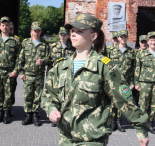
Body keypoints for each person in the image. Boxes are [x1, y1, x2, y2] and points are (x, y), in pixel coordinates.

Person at [41, 13, 149, 146]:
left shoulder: (105, 67)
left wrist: (141, 129)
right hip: (66, 138)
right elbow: (49, 95)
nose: (73, 34)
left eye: (79, 31)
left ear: (93, 36)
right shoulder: (61, 66)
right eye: (72, 31)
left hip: (93, 139)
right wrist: (52, 109)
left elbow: (125, 100)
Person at [0, 16, 20, 124]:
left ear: (10, 26)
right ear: (0, 27)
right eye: (3, 25)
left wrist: (16, 70)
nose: (5, 27)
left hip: (9, 71)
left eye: (7, 25)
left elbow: (19, 57)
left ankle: (6, 113)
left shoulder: (15, 40)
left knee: (8, 93)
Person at [17, 22, 50, 126]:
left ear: (41, 31)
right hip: (28, 74)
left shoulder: (45, 44)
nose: (37, 33)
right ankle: (28, 115)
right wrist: (21, 72)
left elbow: (50, 58)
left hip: (39, 75)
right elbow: (20, 59)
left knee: (37, 96)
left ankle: (35, 115)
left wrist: (43, 61)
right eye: (35, 31)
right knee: (28, 96)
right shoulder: (25, 43)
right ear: (31, 31)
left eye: (38, 31)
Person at [107, 30, 135, 132]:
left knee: (122, 101)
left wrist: (132, 82)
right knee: (113, 101)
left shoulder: (131, 52)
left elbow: (133, 68)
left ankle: (119, 122)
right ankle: (113, 122)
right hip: (113, 81)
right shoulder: (111, 51)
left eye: (125, 37)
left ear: (127, 38)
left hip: (125, 82)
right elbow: (106, 64)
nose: (123, 39)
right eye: (121, 37)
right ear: (118, 38)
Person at [48, 26, 75, 127]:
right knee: (55, 97)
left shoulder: (72, 48)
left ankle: (64, 117)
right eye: (61, 35)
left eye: (64, 35)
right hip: (56, 76)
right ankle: (56, 117)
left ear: (68, 36)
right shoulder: (54, 47)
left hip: (68, 76)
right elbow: (49, 61)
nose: (62, 37)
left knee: (66, 97)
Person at [134, 32, 155, 134]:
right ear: (148, 42)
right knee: (143, 104)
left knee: (154, 105)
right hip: (145, 82)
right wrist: (136, 82)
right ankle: (143, 124)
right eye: (151, 40)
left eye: (154, 40)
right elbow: (137, 69)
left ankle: (151, 124)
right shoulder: (142, 54)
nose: (153, 42)